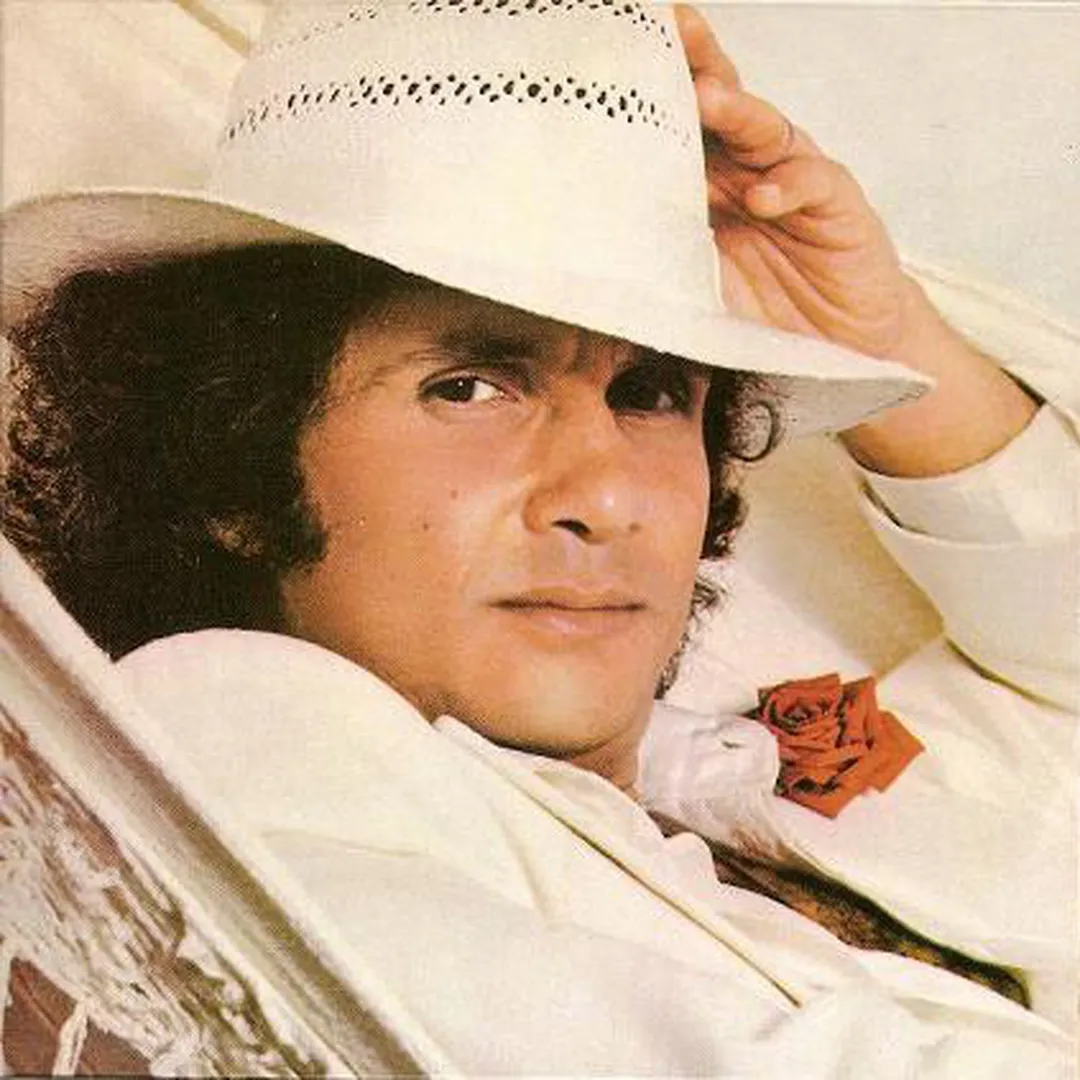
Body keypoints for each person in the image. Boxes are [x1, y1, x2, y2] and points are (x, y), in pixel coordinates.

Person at [1, 3, 1076, 1074]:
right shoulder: (233, 752)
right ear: (227, 464)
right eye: (468, 387)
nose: (607, 498)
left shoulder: (730, 777)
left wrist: (886, 335)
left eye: (650, 392)